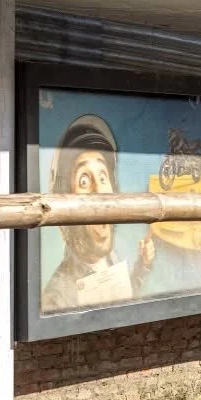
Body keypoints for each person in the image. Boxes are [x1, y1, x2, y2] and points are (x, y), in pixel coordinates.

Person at [41, 115, 154, 311]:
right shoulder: (57, 298)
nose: (99, 192)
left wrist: (142, 266)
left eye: (103, 177)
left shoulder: (110, 258)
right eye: (84, 181)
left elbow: (124, 297)